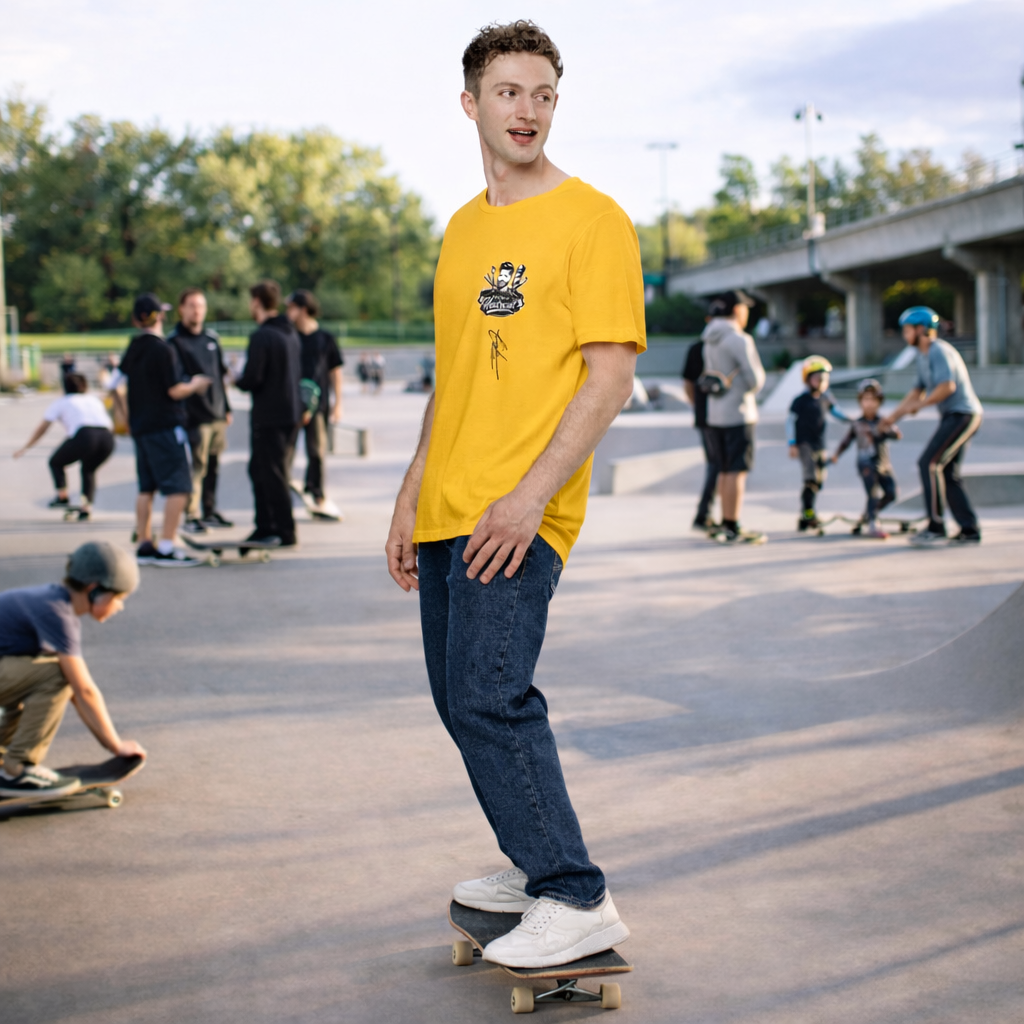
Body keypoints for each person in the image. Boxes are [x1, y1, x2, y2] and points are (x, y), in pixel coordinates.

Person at [385, 20, 643, 969]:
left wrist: (532, 498)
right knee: (459, 703)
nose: (526, 110)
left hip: (519, 508)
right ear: (471, 105)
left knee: (493, 697)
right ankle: (537, 871)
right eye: (507, 92)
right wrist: (412, 495)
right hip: (451, 501)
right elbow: (453, 379)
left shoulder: (593, 219)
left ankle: (575, 894)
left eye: (542, 94)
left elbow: (609, 377)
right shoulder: (463, 228)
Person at [0, 542, 146, 798]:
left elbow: (77, 695)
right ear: (94, 590)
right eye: (118, 598)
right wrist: (116, 745)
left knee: (36, 676)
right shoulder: (58, 613)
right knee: (57, 674)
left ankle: (4, 759)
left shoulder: (50, 599)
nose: (120, 606)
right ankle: (18, 768)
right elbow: (83, 690)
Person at [114, 293, 210, 567]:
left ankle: (144, 543)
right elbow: (174, 389)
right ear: (159, 316)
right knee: (178, 486)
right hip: (165, 426)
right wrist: (195, 385)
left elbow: (114, 383)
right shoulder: (163, 349)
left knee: (147, 487)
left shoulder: (135, 346)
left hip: (142, 427)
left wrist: (126, 415)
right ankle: (167, 546)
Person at [881, 306, 984, 546]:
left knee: (928, 463)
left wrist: (920, 406)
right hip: (957, 415)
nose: (904, 335)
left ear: (921, 330)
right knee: (948, 473)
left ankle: (935, 526)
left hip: (963, 414)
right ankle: (969, 529)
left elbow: (947, 387)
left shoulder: (939, 350)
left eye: (907, 330)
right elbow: (916, 391)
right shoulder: (922, 356)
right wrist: (893, 416)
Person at [235, 280, 302, 548]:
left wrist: (235, 379)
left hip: (269, 415)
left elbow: (253, 377)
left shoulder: (262, 336)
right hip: (291, 413)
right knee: (272, 470)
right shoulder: (289, 333)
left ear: (256, 302)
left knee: (268, 472)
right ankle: (272, 525)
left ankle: (278, 528)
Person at [700, 290, 767, 543]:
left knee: (725, 469)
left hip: (715, 413)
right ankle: (733, 524)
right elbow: (755, 380)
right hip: (738, 413)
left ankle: (726, 522)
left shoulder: (709, 338)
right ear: (737, 310)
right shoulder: (739, 339)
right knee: (737, 470)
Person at [167, 288, 234, 533]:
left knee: (214, 466)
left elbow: (220, 375)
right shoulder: (175, 342)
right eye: (192, 305)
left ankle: (210, 509)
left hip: (216, 413)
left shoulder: (212, 340)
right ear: (182, 309)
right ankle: (191, 514)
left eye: (201, 306)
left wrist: (226, 407)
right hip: (193, 417)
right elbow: (173, 383)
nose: (197, 310)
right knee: (197, 467)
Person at [13, 373, 115, 521]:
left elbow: (43, 427)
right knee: (88, 470)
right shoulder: (94, 400)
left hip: (85, 435)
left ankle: (62, 496)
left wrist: (26, 447)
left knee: (55, 462)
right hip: (108, 438)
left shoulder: (62, 402)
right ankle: (86, 507)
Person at [285, 289, 344, 516]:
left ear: (302, 309)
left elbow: (335, 372)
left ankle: (317, 492)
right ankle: (285, 490)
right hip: (292, 404)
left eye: (290, 307)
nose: (287, 312)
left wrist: (338, 404)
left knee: (316, 451)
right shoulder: (289, 336)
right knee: (287, 451)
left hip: (317, 406)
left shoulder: (325, 338)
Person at [786, 355, 851, 532]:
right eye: (818, 378)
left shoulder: (826, 398)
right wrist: (792, 443)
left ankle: (804, 516)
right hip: (804, 444)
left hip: (820, 444)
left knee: (820, 480)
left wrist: (853, 420)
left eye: (824, 379)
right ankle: (809, 514)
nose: (822, 382)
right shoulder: (800, 401)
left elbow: (837, 413)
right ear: (807, 379)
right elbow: (790, 422)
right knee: (811, 479)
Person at [832, 379, 901, 539]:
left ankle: (869, 514)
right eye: (866, 400)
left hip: (883, 463)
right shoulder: (858, 423)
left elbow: (897, 434)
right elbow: (846, 441)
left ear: (879, 401)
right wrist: (836, 455)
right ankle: (873, 524)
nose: (869, 404)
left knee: (891, 493)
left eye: (873, 400)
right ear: (860, 402)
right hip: (866, 463)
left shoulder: (883, 421)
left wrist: (886, 430)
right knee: (873, 493)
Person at [681, 338, 719, 532]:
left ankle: (706, 514)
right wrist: (698, 407)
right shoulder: (698, 348)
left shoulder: (698, 347)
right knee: (717, 465)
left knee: (718, 465)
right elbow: (688, 382)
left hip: (709, 416)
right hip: (709, 418)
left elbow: (687, 383)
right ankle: (703, 515)